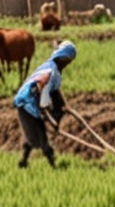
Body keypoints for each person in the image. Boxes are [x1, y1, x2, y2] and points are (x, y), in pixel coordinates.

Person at [13, 41, 77, 169]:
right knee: (40, 140)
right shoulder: (50, 72)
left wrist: (65, 106)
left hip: (34, 105)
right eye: (67, 61)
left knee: (34, 135)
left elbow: (55, 91)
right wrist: (50, 119)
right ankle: (54, 166)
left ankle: (23, 162)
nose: (67, 64)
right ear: (62, 59)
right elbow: (41, 92)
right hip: (26, 104)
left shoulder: (54, 70)